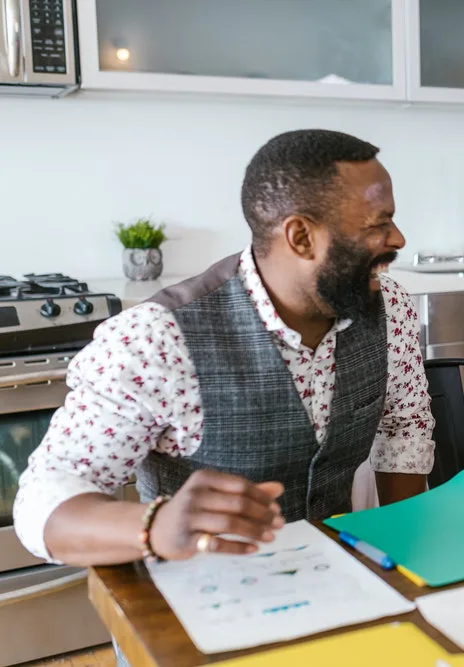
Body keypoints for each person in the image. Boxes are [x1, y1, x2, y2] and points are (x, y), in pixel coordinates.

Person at [13, 129, 435, 567]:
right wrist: (156, 526)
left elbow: (404, 428)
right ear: (301, 237)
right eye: (377, 224)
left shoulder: (390, 308)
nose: (398, 239)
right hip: (194, 603)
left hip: (336, 580)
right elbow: (41, 504)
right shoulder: (156, 339)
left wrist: (403, 553)